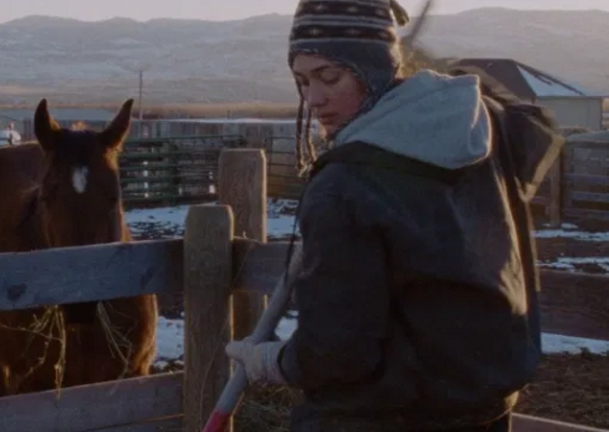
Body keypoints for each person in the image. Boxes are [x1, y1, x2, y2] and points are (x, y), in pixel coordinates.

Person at [224, 0, 565, 431]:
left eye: (330, 76)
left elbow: (336, 353)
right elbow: (536, 127)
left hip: (376, 416)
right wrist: (438, 82)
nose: (313, 99)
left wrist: (273, 361)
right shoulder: (480, 132)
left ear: (374, 68)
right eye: (302, 81)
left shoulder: (345, 185)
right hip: (481, 408)